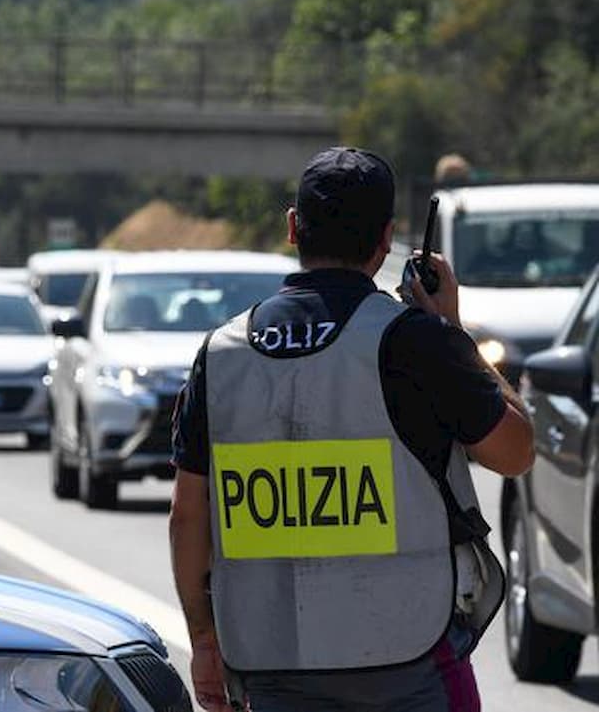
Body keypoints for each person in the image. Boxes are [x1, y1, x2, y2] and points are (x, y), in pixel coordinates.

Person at [169, 147, 534, 712]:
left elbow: (188, 515)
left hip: (271, 664)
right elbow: (515, 452)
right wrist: (453, 330)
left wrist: (203, 641)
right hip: (409, 662)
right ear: (386, 239)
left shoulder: (222, 355)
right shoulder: (415, 341)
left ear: (294, 227)